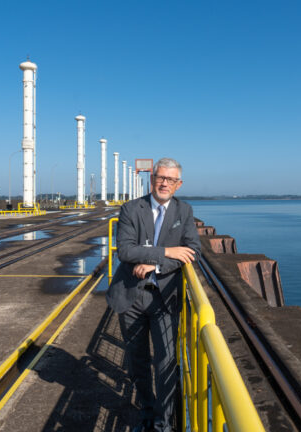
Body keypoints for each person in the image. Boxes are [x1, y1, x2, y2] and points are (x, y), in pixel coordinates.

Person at [106, 157, 202, 432]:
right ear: (152, 179)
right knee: (137, 363)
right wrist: (167, 252)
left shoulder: (184, 212)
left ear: (178, 184)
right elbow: (125, 250)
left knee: (166, 364)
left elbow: (192, 251)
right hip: (131, 297)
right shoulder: (130, 209)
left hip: (164, 298)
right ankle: (146, 415)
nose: (164, 183)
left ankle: (163, 424)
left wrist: (157, 264)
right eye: (160, 177)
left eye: (171, 180)